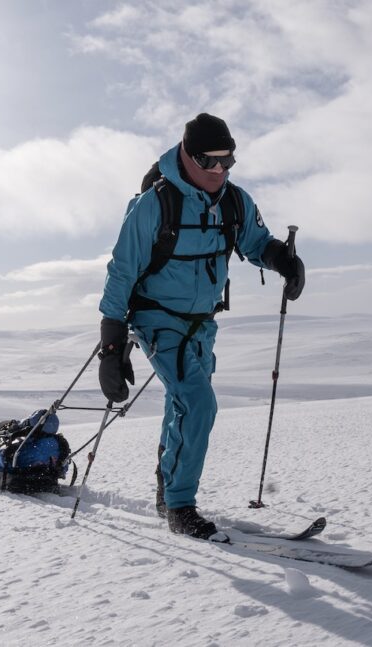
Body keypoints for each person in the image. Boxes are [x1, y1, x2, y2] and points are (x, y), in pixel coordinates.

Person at [95, 113, 305, 538]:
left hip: (203, 323)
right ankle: (180, 506)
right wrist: (112, 346)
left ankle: (166, 484)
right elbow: (122, 272)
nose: (220, 170)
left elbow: (256, 242)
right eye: (210, 161)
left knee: (184, 404)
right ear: (188, 157)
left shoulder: (235, 201)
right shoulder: (154, 204)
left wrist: (282, 259)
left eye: (228, 161)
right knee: (199, 402)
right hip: (156, 318)